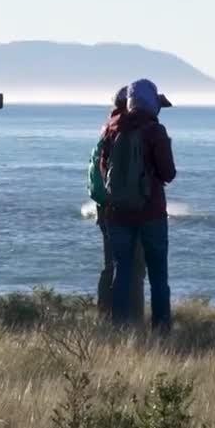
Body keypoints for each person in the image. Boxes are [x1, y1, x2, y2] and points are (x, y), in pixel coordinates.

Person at [101, 79, 176, 331]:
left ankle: (119, 328)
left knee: (121, 272)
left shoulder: (111, 129)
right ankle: (161, 329)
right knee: (158, 275)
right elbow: (168, 173)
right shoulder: (155, 131)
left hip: (117, 212)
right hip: (151, 211)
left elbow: (104, 170)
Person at [91, 87, 146, 318]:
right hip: (124, 209)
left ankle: (107, 312)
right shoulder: (126, 132)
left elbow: (96, 173)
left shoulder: (107, 130)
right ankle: (130, 315)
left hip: (106, 208)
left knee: (112, 264)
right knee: (133, 267)